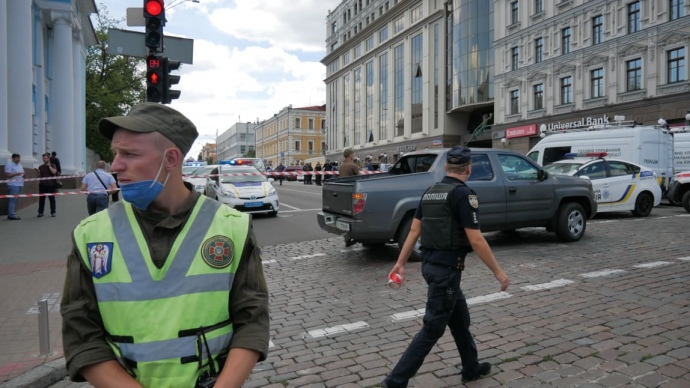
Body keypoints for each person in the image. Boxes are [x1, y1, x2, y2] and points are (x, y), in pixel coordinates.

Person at [60, 103, 270, 388]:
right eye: (115, 154)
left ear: (170, 158)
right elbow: (81, 335)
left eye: (130, 154)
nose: (116, 165)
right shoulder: (90, 234)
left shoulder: (232, 226)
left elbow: (252, 321)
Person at [382, 146, 510, 388]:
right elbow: (476, 239)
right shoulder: (463, 195)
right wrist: (499, 273)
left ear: (446, 168)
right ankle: (395, 381)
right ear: (469, 169)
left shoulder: (431, 192)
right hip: (447, 272)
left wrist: (400, 263)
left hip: (433, 267)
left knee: (460, 320)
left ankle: (471, 368)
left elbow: (414, 230)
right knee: (432, 328)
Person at [36, 153, 59, 217]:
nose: (44, 159)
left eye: (45, 158)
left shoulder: (53, 165)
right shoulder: (41, 167)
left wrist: (49, 166)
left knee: (51, 199)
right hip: (42, 185)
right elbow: (38, 176)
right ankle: (40, 212)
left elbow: (54, 172)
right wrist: (38, 172)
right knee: (41, 199)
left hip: (50, 185)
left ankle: (53, 212)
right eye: (43, 158)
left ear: (49, 158)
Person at [4, 153, 24, 220]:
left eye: (19, 158)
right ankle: (11, 215)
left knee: (16, 199)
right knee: (12, 199)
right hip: (13, 184)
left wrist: (23, 174)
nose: (18, 159)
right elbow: (7, 174)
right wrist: (16, 174)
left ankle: (11, 212)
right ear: (13, 158)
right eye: (17, 158)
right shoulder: (9, 165)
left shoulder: (20, 165)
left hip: (20, 184)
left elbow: (23, 173)